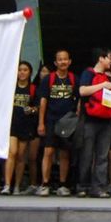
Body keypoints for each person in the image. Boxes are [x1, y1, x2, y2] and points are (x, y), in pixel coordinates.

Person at [77, 47, 111, 198]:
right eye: (109, 57)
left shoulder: (108, 77)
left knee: (102, 156)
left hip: (106, 121)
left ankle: (99, 187)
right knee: (86, 154)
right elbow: (82, 91)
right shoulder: (88, 73)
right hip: (90, 120)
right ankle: (83, 186)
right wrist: (102, 86)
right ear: (101, 58)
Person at [37, 49, 76, 197]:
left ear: (70, 61)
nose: (63, 62)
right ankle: (45, 183)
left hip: (68, 122)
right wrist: (41, 122)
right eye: (60, 59)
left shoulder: (74, 79)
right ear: (55, 62)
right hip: (51, 120)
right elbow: (43, 101)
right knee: (48, 151)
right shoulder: (49, 79)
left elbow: (78, 99)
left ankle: (62, 184)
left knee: (64, 154)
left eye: (65, 59)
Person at [2, 61, 38, 195]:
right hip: (12, 123)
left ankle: (16, 185)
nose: (22, 73)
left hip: (25, 124)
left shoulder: (33, 89)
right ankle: (6, 184)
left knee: (21, 156)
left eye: (25, 70)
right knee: (12, 152)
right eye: (19, 70)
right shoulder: (10, 87)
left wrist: (32, 110)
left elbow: (37, 107)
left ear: (30, 73)